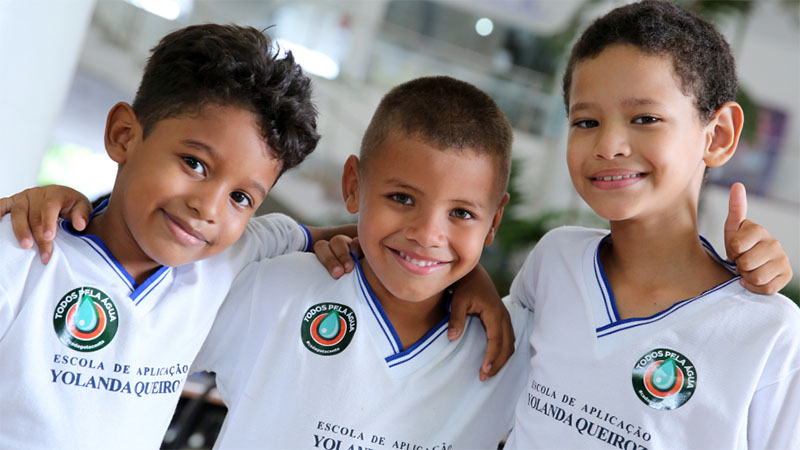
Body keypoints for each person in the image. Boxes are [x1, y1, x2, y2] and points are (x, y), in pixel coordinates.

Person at [0, 24, 514, 450]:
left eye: (243, 198)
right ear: (123, 135)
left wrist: (469, 277)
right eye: (194, 163)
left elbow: (362, 240)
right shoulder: (22, 251)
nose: (208, 207)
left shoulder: (230, 257)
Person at [504, 1, 799, 448]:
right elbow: (467, 348)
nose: (608, 145)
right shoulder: (554, 261)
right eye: (586, 121)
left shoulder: (768, 333)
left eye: (645, 118)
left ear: (717, 135)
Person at [190, 76, 532, 449]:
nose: (427, 235)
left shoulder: (510, 349)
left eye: (462, 214)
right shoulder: (276, 290)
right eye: (402, 198)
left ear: (493, 222)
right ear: (353, 185)